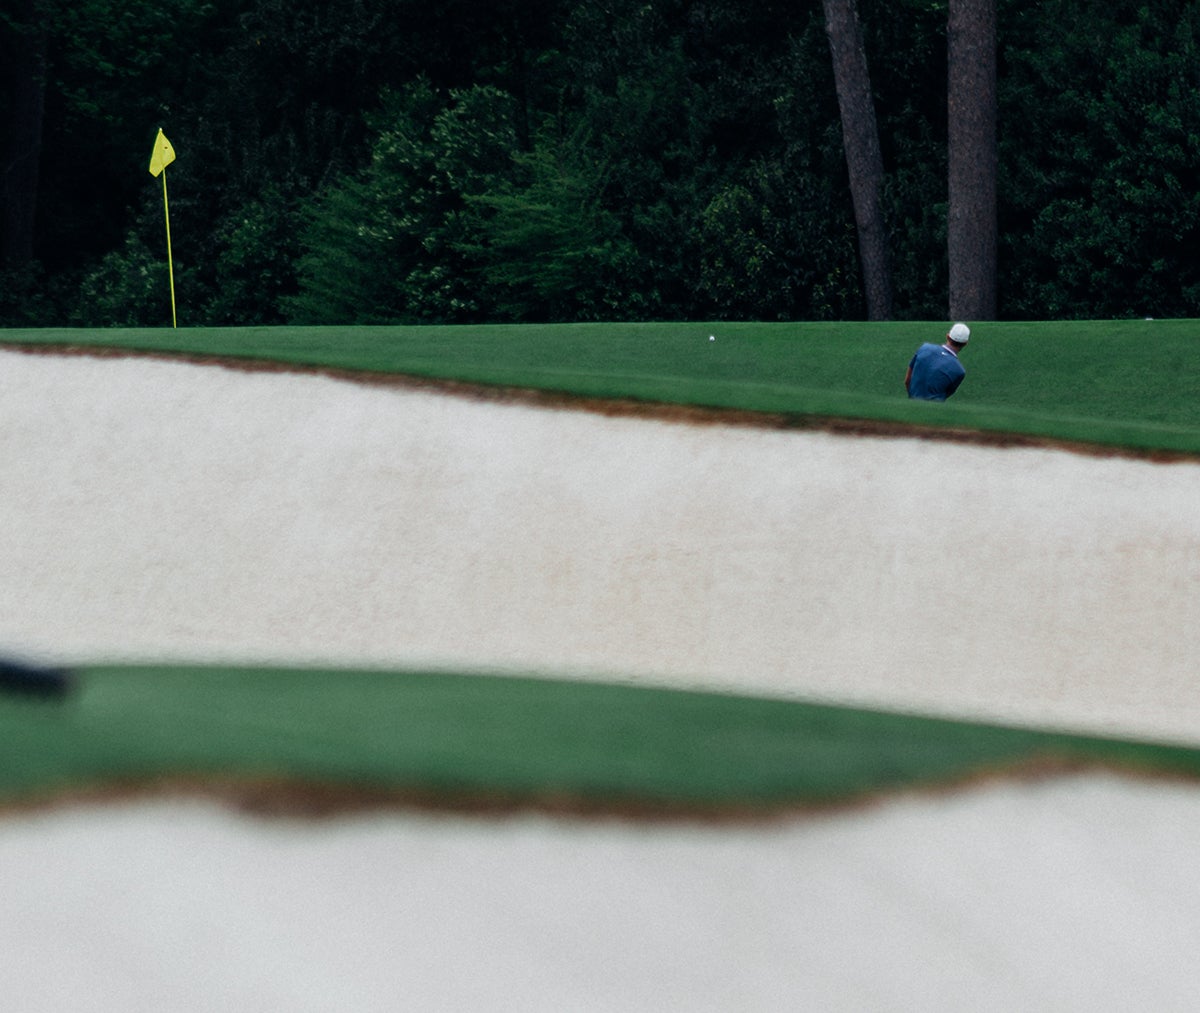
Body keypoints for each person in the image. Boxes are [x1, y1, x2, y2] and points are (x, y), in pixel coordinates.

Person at [904, 323, 970, 401]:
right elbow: (947, 393)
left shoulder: (924, 348)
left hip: (913, 402)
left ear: (948, 336)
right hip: (934, 409)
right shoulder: (959, 371)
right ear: (965, 344)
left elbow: (907, 380)